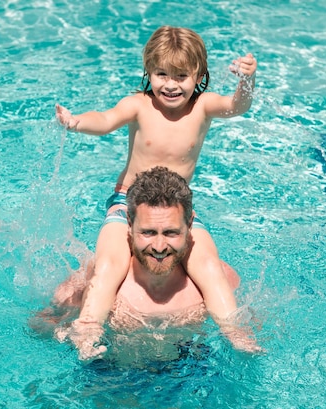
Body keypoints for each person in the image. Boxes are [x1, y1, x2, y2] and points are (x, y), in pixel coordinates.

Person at [55, 26, 257, 359]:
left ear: (199, 76)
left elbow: (238, 106)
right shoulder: (138, 105)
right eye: (162, 74)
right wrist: (77, 122)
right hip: (128, 203)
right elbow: (105, 120)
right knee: (109, 262)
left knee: (208, 263)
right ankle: (88, 328)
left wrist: (247, 80)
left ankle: (235, 331)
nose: (171, 84)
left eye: (181, 75)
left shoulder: (203, 107)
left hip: (176, 206)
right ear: (148, 72)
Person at [34, 167, 262, 360]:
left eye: (171, 232)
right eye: (148, 232)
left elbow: (258, 325)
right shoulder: (89, 285)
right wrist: (64, 333)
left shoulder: (221, 280)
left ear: (190, 225)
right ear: (129, 224)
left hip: (187, 369)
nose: (160, 247)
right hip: (112, 372)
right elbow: (38, 325)